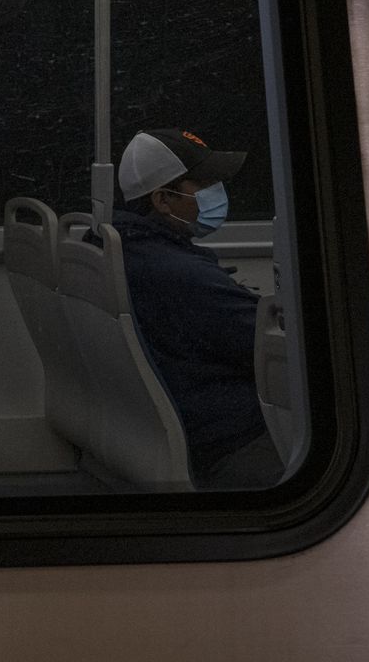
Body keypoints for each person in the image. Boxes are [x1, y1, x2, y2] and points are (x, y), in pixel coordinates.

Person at [113, 127, 284, 489]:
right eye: (203, 184)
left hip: (197, 419)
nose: (216, 194)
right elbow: (274, 350)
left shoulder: (130, 249)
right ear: (163, 200)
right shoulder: (177, 275)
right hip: (234, 439)